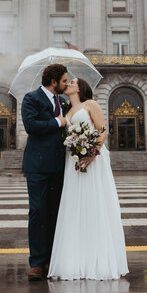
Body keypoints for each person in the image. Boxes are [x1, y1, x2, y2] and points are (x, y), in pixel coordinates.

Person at [48, 77, 129, 280]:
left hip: (93, 160)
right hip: (73, 162)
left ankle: (97, 259)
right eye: (67, 81)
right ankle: (75, 260)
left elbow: (102, 130)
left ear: (80, 87)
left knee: (94, 205)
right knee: (75, 207)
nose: (68, 83)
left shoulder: (90, 104)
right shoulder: (65, 111)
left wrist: (93, 152)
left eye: (72, 81)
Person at [21, 63, 68, 281]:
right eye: (64, 80)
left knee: (54, 213)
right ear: (53, 81)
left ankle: (51, 258)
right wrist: (58, 121)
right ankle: (37, 262)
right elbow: (31, 126)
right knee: (38, 211)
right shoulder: (31, 98)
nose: (66, 84)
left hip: (59, 166)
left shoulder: (63, 102)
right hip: (38, 166)